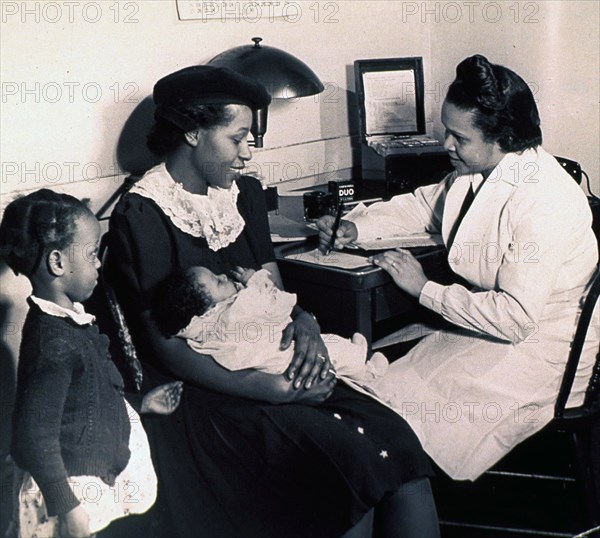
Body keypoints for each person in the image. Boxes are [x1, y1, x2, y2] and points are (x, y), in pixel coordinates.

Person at [105, 64, 439, 537]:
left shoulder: (245, 194)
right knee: (345, 458)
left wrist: (306, 326)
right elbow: (164, 347)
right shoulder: (141, 212)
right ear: (194, 133)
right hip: (204, 389)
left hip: (271, 357)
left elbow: (275, 290)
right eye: (237, 138)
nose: (247, 154)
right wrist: (266, 389)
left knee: (397, 440)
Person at [317, 54, 599, 481]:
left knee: (407, 412)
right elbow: (424, 206)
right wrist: (357, 227)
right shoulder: (481, 169)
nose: (446, 145)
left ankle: (399, 482)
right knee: (388, 391)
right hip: (498, 330)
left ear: (502, 138)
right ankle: (390, 478)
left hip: (543, 349)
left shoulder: (545, 200)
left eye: (458, 138)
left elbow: (517, 318)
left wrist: (423, 288)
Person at [0, 189, 183, 538]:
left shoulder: (71, 323)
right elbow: (33, 433)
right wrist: (66, 507)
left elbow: (87, 398)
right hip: (71, 494)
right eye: (91, 254)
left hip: (92, 482)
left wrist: (140, 403)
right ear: (58, 263)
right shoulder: (53, 342)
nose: (99, 263)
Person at [152, 265, 389, 383]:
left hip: (265, 367)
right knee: (334, 350)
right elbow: (274, 303)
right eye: (217, 281)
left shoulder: (201, 331)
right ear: (207, 309)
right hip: (282, 357)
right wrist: (254, 279)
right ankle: (367, 370)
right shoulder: (234, 309)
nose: (224, 276)